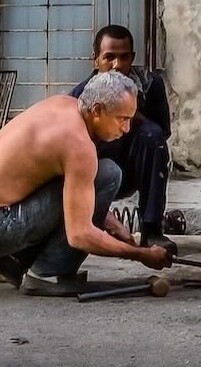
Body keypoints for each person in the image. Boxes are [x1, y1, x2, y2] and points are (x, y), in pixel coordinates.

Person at [0, 71, 172, 296]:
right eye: (122, 119)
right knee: (109, 174)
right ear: (97, 110)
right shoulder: (78, 146)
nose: (126, 129)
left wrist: (114, 225)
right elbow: (80, 234)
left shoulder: (62, 104)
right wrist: (140, 255)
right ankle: (47, 274)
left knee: (93, 178)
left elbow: (71, 190)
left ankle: (12, 260)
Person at [68, 25, 175, 252]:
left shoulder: (148, 85)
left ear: (132, 58)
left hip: (133, 166)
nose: (117, 65)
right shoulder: (81, 96)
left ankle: (152, 229)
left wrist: (133, 116)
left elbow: (162, 134)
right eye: (109, 57)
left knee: (152, 136)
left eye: (124, 57)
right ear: (95, 60)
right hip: (97, 172)